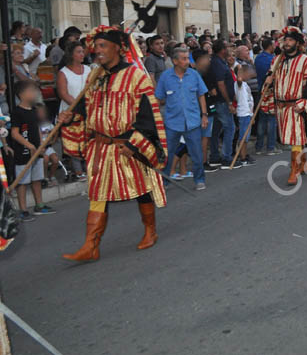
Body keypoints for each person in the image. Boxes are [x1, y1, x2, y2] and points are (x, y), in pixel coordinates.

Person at [59, 28, 168, 262]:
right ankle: (91, 245)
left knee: (141, 190)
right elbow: (85, 106)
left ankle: (150, 231)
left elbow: (148, 116)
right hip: (101, 146)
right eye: (95, 47)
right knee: (97, 194)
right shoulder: (94, 76)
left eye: (102, 46)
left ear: (117, 48)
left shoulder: (136, 76)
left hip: (127, 144)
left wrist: (134, 144)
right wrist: (72, 116)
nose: (96, 51)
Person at [259, 26, 307, 185]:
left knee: (296, 137)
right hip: (282, 107)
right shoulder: (277, 61)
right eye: (285, 40)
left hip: (297, 105)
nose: (287, 43)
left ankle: (293, 171)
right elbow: (272, 78)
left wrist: (304, 103)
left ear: (297, 43)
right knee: (296, 138)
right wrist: (269, 79)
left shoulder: (306, 61)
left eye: (290, 40)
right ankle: (303, 163)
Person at [155, 47, 209, 191]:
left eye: (188, 58)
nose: (187, 61)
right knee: (168, 154)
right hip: (172, 122)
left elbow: (201, 94)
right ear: (175, 61)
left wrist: (204, 115)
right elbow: (158, 98)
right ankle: (165, 181)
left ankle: (199, 180)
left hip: (192, 122)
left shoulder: (194, 75)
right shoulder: (165, 77)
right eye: (184, 59)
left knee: (196, 153)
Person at [10, 81, 57, 221]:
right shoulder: (17, 112)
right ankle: (23, 210)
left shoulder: (34, 110)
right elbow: (15, 133)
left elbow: (36, 128)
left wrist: (41, 144)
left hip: (37, 151)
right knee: (23, 182)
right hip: (24, 152)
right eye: (32, 91)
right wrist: (29, 145)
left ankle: (39, 205)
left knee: (37, 179)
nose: (35, 94)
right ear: (22, 95)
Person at [57, 41, 91, 181]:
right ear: (71, 54)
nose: (82, 54)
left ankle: (89, 168)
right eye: (78, 51)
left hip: (88, 109)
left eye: (83, 51)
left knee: (88, 139)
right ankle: (78, 171)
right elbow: (63, 93)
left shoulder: (89, 70)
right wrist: (78, 106)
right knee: (74, 140)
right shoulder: (63, 72)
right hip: (71, 111)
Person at [208, 40, 236, 170]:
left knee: (216, 130)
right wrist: (228, 101)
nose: (229, 50)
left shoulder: (219, 61)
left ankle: (214, 157)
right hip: (221, 101)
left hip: (220, 101)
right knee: (230, 127)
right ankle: (226, 158)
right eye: (227, 47)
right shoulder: (217, 63)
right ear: (222, 50)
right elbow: (221, 84)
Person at [254, 38, 280, 155]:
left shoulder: (258, 58)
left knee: (262, 119)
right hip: (270, 91)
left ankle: (259, 147)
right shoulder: (272, 60)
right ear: (270, 46)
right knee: (271, 119)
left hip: (261, 90)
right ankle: (270, 147)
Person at [234, 64, 257, 167]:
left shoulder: (245, 84)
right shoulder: (238, 84)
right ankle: (242, 157)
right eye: (247, 74)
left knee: (246, 137)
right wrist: (240, 72)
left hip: (248, 113)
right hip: (243, 114)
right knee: (243, 136)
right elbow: (239, 80)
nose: (249, 77)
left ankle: (245, 154)